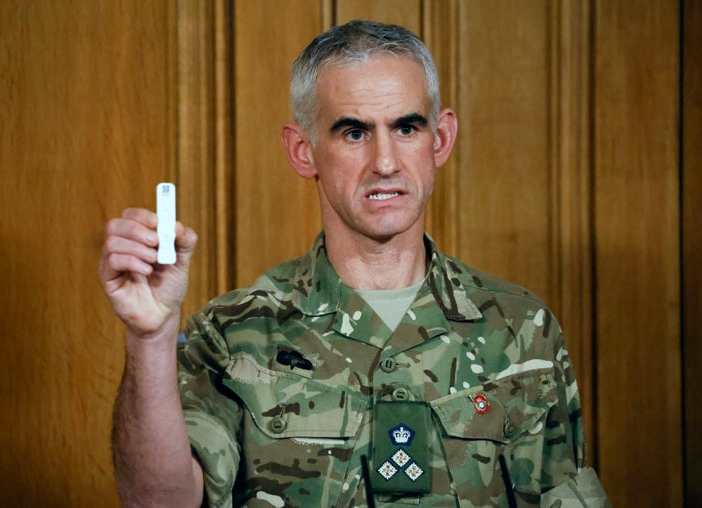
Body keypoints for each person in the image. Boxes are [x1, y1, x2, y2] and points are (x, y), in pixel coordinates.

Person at [99, 19, 608, 508]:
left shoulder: (522, 328)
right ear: (303, 151)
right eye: (354, 133)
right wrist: (150, 338)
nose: (385, 162)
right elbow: (155, 502)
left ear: (441, 138)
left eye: (406, 127)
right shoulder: (233, 337)